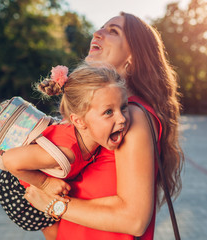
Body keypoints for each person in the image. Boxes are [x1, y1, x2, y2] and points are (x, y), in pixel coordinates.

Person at [25, 12, 184, 240]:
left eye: (113, 31)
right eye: (101, 27)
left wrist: (52, 204)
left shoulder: (133, 117)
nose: (96, 33)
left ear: (133, 57)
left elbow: (135, 220)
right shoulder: (100, 117)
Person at [0, 62, 130, 239]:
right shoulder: (67, 151)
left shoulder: (91, 139)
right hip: (19, 189)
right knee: (58, 235)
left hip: (39, 177)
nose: (122, 118)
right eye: (108, 112)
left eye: (123, 107)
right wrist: (45, 184)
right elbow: (10, 160)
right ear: (80, 121)